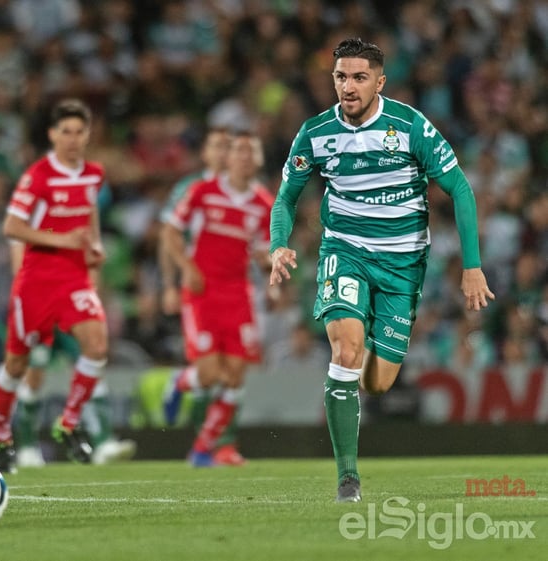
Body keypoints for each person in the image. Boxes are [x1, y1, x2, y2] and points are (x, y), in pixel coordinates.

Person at [269, 38, 495, 502]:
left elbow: (462, 190)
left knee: (376, 381)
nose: (348, 87)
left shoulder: (409, 126)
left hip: (403, 264)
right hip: (345, 250)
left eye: (358, 77)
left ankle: (358, 369)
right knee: (346, 351)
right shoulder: (314, 132)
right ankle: (347, 477)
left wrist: (472, 267)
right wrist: (278, 245)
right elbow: (286, 198)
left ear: (379, 81)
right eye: (340, 77)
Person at [0, 98, 108, 474]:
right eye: (65, 132)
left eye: (79, 132)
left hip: (74, 278)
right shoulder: (38, 176)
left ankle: (68, 423)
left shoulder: (93, 174)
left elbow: (88, 210)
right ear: (53, 135)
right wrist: (62, 239)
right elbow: (12, 227)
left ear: (87, 135)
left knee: (98, 345)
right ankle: (1, 433)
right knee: (17, 363)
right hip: (37, 279)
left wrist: (93, 244)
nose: (72, 139)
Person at [162, 130, 273, 467]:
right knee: (210, 374)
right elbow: (169, 232)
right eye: (238, 151)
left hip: (238, 292)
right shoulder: (201, 192)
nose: (244, 157)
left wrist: (274, 269)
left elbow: (264, 251)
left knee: (235, 375)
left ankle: (202, 449)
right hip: (202, 290)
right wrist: (185, 268)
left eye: (251, 152)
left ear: (258, 160)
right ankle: (179, 382)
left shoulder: (265, 204)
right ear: (229, 159)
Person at [6, 240, 136, 468]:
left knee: (92, 364)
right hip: (41, 310)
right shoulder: (29, 224)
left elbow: (90, 267)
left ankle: (103, 442)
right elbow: (20, 269)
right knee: (34, 376)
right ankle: (27, 448)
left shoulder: (73, 224)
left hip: (70, 310)